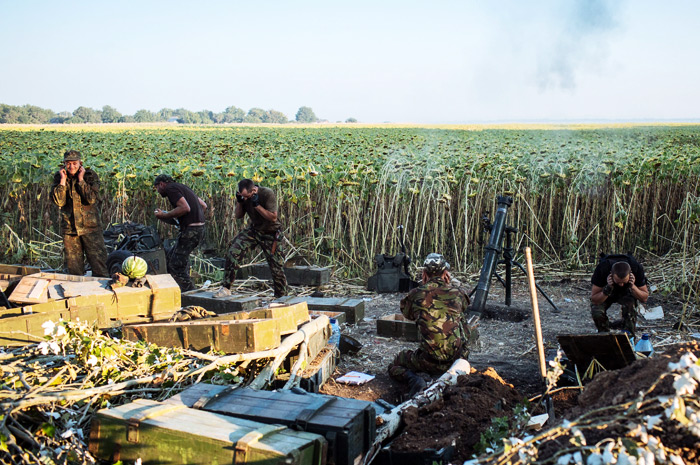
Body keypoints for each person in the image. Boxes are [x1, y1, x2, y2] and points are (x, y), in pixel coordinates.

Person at [388, 253, 472, 397]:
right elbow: (463, 307)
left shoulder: (415, 294)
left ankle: (414, 380)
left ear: (424, 273)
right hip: (456, 359)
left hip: (427, 360)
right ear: (446, 273)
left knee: (395, 364)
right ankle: (456, 369)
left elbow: (408, 315)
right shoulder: (458, 293)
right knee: (461, 320)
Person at [215, 179, 288, 298]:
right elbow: (238, 216)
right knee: (233, 251)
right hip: (255, 230)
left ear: (254, 190)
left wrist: (257, 205)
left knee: (276, 268)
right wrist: (240, 202)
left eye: (247, 196)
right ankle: (226, 287)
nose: (246, 199)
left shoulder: (267, 194)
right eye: (242, 196)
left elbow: (273, 217)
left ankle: (281, 297)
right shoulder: (244, 198)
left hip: (271, 232)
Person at [50, 150, 108, 277]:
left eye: (75, 163)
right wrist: (63, 182)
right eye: (68, 164)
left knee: (100, 267)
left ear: (80, 163)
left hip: (90, 228)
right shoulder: (59, 177)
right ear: (64, 164)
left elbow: (91, 199)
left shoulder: (90, 176)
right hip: (70, 229)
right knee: (74, 271)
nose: (71, 167)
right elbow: (59, 202)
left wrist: (81, 180)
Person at [153, 174, 207, 291]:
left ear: (161, 184)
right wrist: (192, 219)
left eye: (156, 187)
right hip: (199, 229)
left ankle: (189, 293)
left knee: (175, 265)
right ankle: (182, 287)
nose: (157, 191)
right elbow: (203, 205)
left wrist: (164, 215)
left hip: (191, 231)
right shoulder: (184, 188)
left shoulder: (170, 189)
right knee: (174, 256)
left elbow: (185, 208)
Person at [590, 253, 649, 337]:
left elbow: (644, 298)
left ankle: (629, 335)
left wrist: (633, 286)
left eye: (624, 282)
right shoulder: (602, 269)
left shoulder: (636, 268)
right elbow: (595, 299)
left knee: (630, 305)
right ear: (611, 275)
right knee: (596, 310)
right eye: (618, 282)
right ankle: (604, 334)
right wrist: (607, 288)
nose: (621, 285)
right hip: (608, 292)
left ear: (630, 275)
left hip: (627, 293)